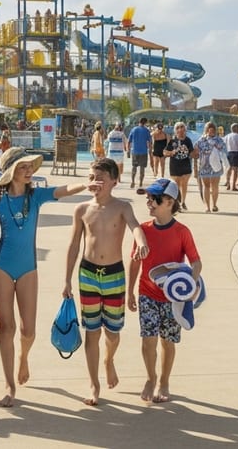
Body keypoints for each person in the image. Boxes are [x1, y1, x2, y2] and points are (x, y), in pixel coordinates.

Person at [0, 147, 90, 407]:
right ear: (11, 172)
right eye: (23, 167)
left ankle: (24, 357)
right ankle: (9, 385)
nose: (29, 171)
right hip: (2, 265)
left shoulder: (36, 196)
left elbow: (64, 190)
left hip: (29, 267)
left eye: (30, 166)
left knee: (28, 330)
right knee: (8, 328)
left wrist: (89, 182)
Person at [62, 157, 150, 406]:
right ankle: (94, 383)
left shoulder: (122, 207)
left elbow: (135, 226)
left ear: (114, 180)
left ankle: (109, 360)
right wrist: (67, 280)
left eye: (100, 178)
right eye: (91, 177)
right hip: (88, 273)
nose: (95, 182)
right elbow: (73, 245)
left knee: (112, 332)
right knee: (92, 331)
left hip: (114, 274)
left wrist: (141, 242)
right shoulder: (81, 209)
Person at [127, 178, 201, 404]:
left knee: (168, 341)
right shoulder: (143, 231)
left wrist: (190, 286)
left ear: (170, 202)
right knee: (147, 339)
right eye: (148, 198)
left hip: (172, 298)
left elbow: (196, 262)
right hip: (147, 292)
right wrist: (130, 291)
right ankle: (151, 378)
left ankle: (164, 381)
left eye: (154, 199)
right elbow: (135, 262)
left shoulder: (182, 232)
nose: (149, 202)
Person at [194, 122, 228, 212]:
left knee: (215, 186)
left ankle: (214, 205)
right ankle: (207, 207)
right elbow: (195, 151)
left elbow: (224, 149)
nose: (211, 131)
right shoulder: (201, 140)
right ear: (206, 130)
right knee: (206, 186)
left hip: (216, 165)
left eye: (213, 130)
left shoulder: (218, 140)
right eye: (209, 129)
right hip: (204, 166)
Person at [163, 122, 195, 209]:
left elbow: (192, 152)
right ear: (175, 130)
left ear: (185, 129)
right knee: (176, 186)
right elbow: (165, 152)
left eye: (182, 127)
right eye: (178, 128)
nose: (180, 129)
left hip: (186, 165)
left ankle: (183, 202)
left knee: (184, 184)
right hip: (175, 165)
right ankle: (177, 203)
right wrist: (172, 152)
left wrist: (195, 153)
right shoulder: (172, 140)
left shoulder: (188, 140)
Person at [127, 118, 152, 189]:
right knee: (142, 168)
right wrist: (150, 151)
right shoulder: (146, 130)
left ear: (139, 122)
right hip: (143, 151)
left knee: (134, 167)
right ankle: (140, 182)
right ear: (145, 123)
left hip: (135, 151)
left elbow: (129, 141)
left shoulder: (133, 129)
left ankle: (133, 181)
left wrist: (128, 150)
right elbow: (150, 142)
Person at [223, 123, 238, 191]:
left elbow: (223, 144)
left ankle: (228, 183)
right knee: (235, 170)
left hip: (229, 152)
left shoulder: (227, 136)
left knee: (229, 169)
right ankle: (233, 186)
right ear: (236, 128)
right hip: (236, 153)